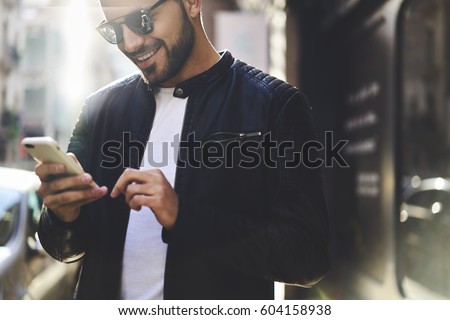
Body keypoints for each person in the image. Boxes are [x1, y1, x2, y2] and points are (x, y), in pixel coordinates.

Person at [35, 0, 330, 300]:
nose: (131, 42)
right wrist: (62, 213)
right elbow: (62, 247)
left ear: (191, 3)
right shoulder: (100, 109)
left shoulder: (275, 106)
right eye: (115, 29)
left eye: (143, 19)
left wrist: (183, 215)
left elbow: (307, 257)